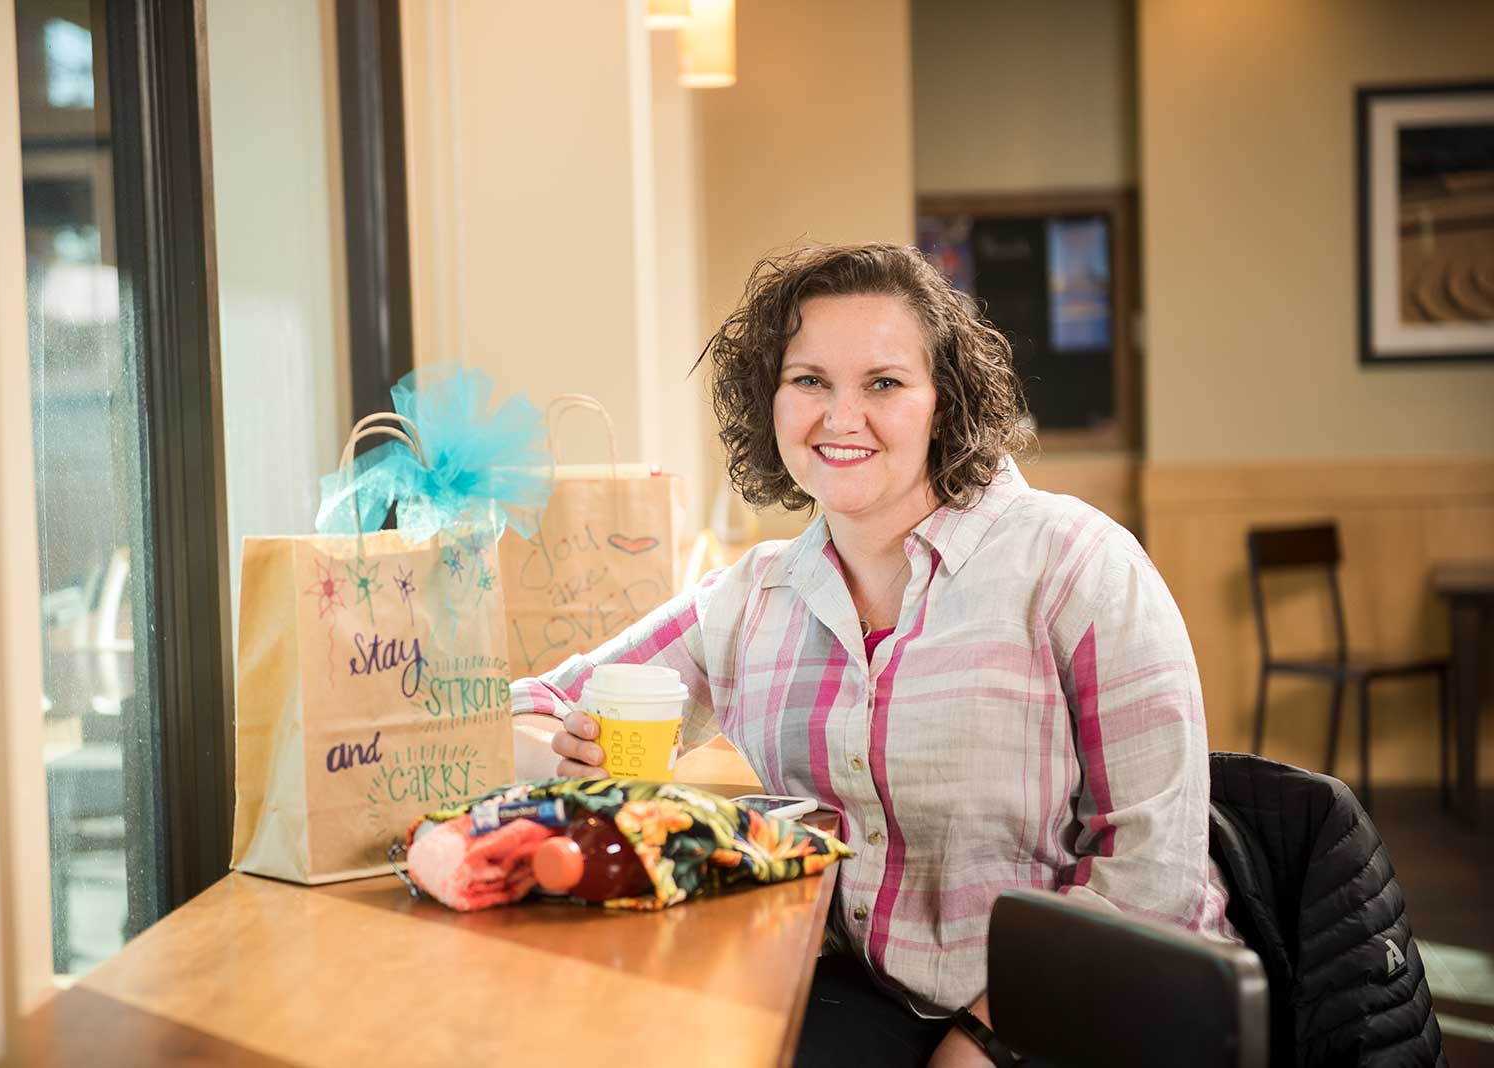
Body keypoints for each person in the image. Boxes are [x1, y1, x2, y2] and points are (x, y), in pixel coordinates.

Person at [511, 243, 1237, 1068]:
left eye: (884, 383)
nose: (840, 417)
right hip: (883, 998)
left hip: (1101, 1004)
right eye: (809, 380)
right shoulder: (755, 599)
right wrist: (563, 752)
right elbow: (533, 703)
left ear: (944, 402)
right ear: (770, 400)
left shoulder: (1077, 564)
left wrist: (989, 1037)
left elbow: (1155, 871)